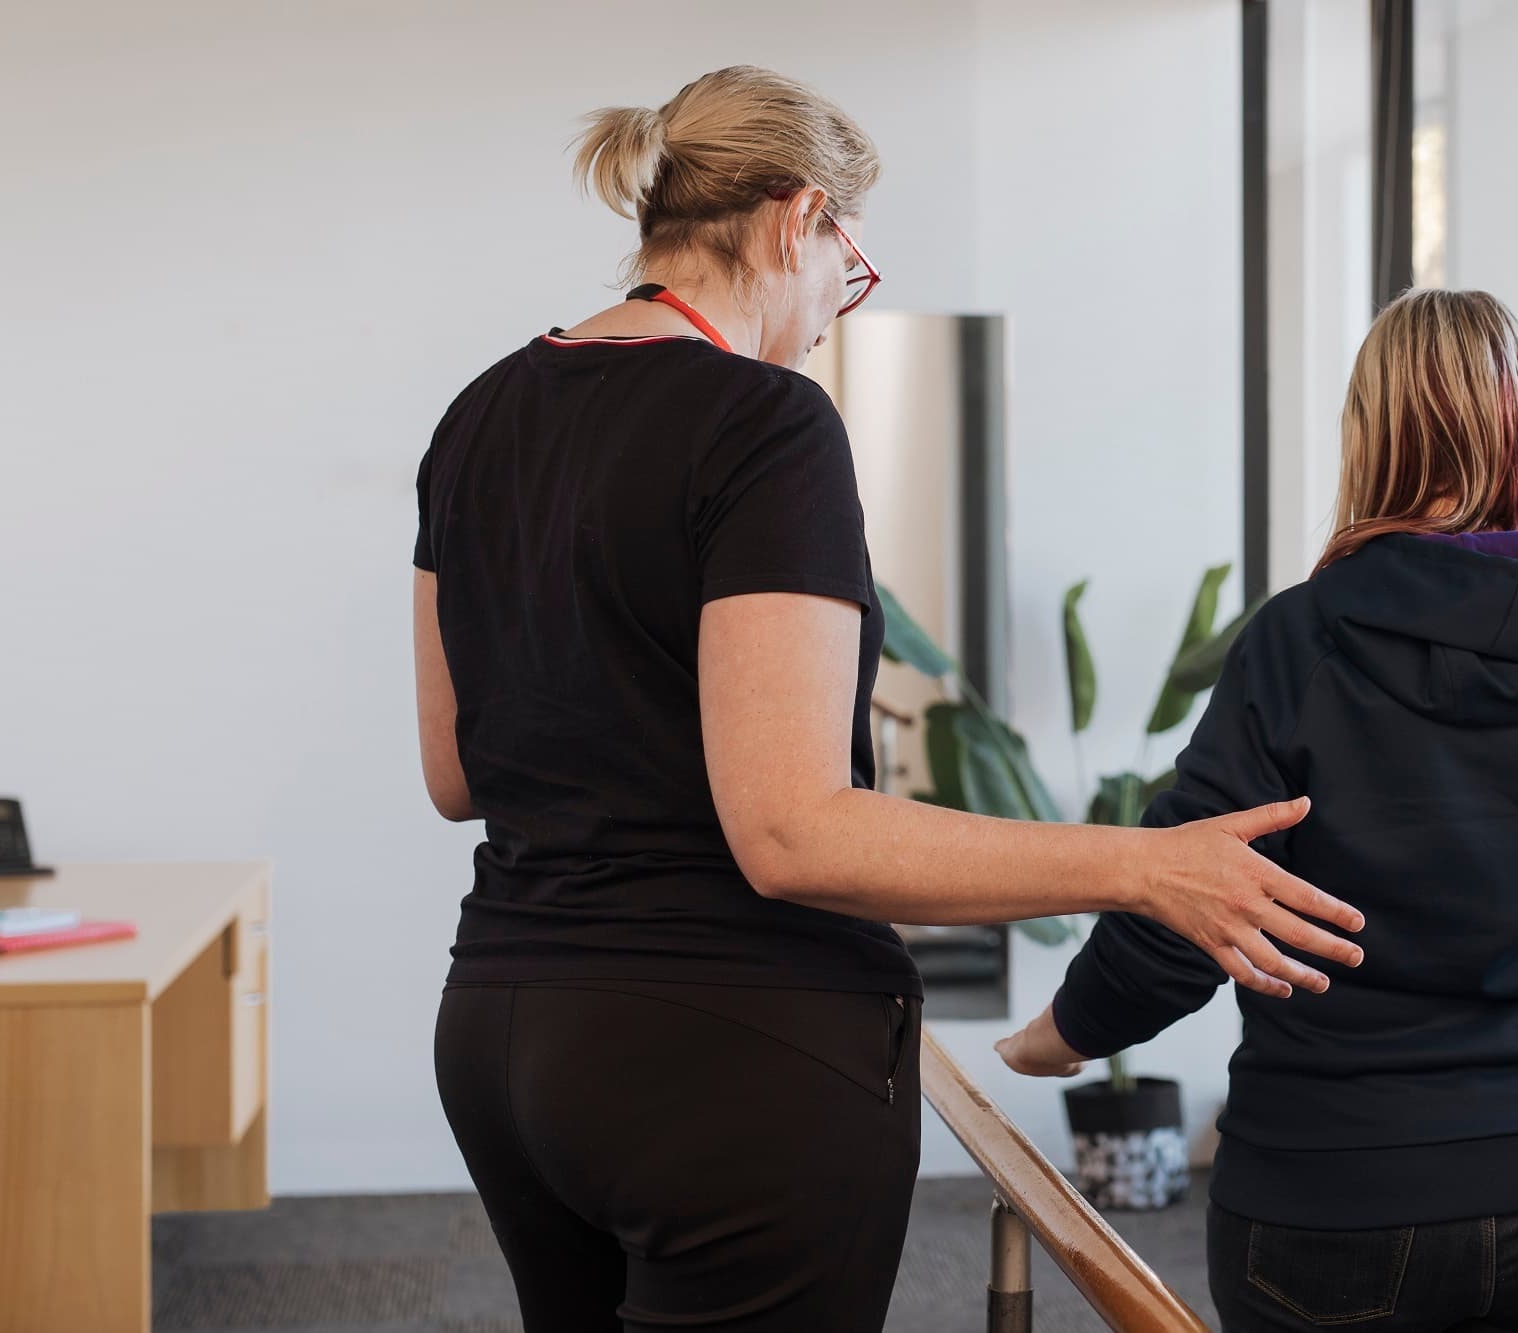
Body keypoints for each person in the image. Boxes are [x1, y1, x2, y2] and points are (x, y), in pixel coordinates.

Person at [412, 66, 1366, 1333]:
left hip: (503, 1036)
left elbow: (455, 771)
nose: (827, 316)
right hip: (722, 1055)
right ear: (793, 220)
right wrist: (1142, 869)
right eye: (843, 266)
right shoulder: (764, 426)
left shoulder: (478, 416)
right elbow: (793, 830)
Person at [996, 288, 1518, 1333]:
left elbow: (1191, 895)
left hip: (1334, 1199)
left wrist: (1064, 1037)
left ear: (1370, 439)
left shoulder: (1297, 642)